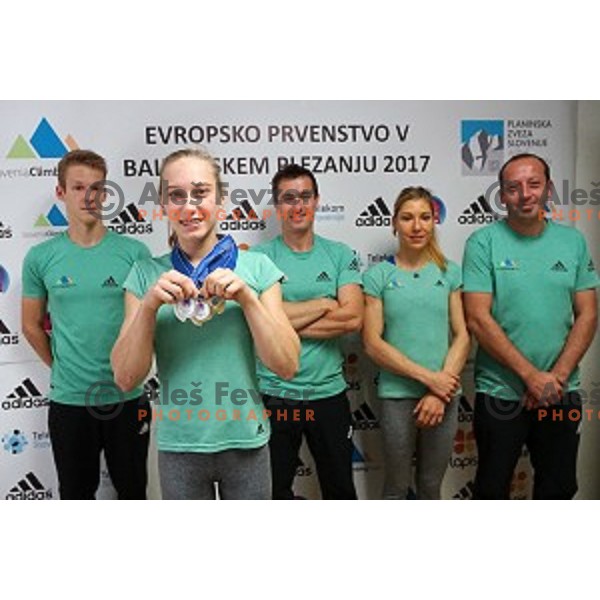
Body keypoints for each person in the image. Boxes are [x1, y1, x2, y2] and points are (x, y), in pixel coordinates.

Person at [111, 147, 299, 500]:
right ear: (164, 205)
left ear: (220, 200)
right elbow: (125, 378)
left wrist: (247, 299)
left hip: (246, 438)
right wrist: (149, 306)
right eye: (176, 196)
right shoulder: (145, 275)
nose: (189, 206)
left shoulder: (257, 269)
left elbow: (287, 365)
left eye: (200, 193)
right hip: (180, 445)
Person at [463, 152, 599, 499]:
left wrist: (555, 378)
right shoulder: (483, 242)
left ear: (549, 189)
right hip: (501, 393)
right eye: (513, 187)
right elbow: (478, 317)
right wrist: (531, 377)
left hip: (561, 389)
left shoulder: (573, 242)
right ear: (502, 195)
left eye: (534, 184)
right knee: (491, 490)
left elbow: (587, 313)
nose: (525, 194)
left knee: (558, 488)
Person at [21, 149, 152, 499]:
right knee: (76, 495)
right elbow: (31, 325)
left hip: (128, 397)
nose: (88, 197)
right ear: (61, 192)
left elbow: (145, 322)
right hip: (70, 402)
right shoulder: (40, 258)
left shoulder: (134, 252)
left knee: (134, 493)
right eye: (78, 187)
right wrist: (62, 366)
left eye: (97, 188)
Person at [251, 164, 364, 500]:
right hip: (274, 394)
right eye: (288, 198)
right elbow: (258, 323)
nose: (297, 205)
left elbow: (353, 319)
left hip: (327, 395)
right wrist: (324, 302)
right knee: (272, 493)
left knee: (340, 491)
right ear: (276, 206)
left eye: (304, 196)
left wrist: (279, 320)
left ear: (317, 201)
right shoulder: (259, 258)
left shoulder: (340, 254)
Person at [362, 186, 470, 499]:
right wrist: (429, 379)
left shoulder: (450, 272)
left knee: (430, 487)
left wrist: (440, 390)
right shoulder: (378, 275)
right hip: (398, 395)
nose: (417, 225)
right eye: (407, 218)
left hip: (444, 397)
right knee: (396, 487)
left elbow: (462, 335)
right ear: (394, 223)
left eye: (425, 217)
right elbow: (371, 342)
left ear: (434, 221)